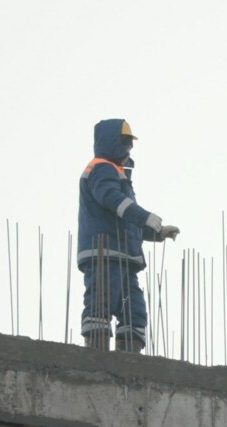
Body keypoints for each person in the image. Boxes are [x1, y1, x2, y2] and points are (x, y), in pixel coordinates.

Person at [78, 119, 179, 352]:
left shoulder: (117, 173)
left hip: (122, 254)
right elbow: (111, 200)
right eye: (125, 142)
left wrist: (158, 232)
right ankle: (96, 355)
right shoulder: (102, 168)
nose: (129, 148)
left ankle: (128, 358)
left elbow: (126, 220)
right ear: (113, 142)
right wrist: (144, 216)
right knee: (101, 302)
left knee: (133, 309)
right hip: (105, 252)